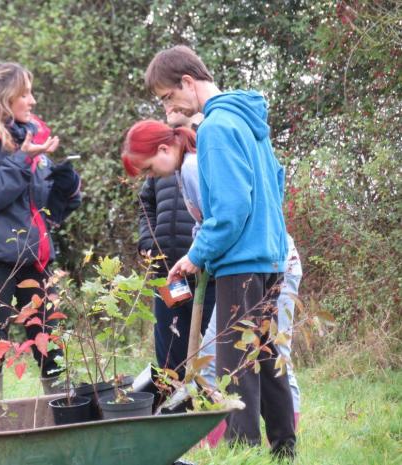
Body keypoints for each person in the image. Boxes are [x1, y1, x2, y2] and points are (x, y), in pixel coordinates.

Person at [138, 45, 295, 458]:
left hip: (241, 263)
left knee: (234, 365)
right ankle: (284, 447)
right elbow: (276, 185)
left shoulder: (216, 128)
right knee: (263, 353)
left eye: (168, 97)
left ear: (188, 83)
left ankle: (240, 449)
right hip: (269, 258)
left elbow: (229, 209)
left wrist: (197, 254)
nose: (168, 106)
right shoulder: (248, 121)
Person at [0, 62, 81, 394]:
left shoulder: (29, 137)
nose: (32, 101)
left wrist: (66, 188)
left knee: (49, 340)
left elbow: (41, 207)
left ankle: (67, 417)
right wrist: (23, 159)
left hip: (32, 256)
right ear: (4, 97)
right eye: (25, 94)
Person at [200, 234, 303, 446]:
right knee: (210, 358)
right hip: (243, 265)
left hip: (265, 264)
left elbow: (229, 220)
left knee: (273, 355)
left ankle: (280, 446)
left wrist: (194, 257)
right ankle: (211, 444)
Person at [137, 112, 215, 380]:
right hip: (170, 272)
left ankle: (222, 411)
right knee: (171, 354)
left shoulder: (201, 159)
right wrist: (148, 241)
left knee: (220, 348)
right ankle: (179, 412)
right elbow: (145, 205)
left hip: (207, 271)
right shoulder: (160, 167)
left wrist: (199, 253)